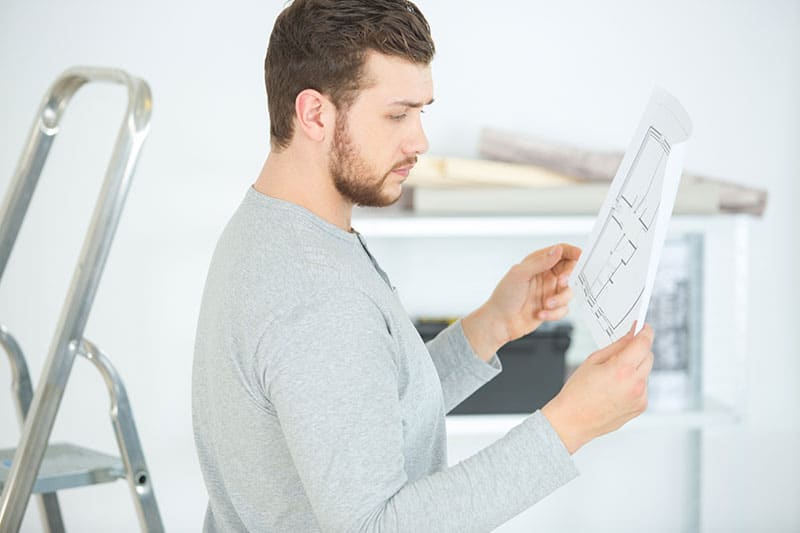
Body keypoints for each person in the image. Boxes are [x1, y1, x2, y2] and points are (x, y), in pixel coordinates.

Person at [191, 0, 655, 531]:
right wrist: (572, 422)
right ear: (315, 114)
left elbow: (363, 409)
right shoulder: (316, 296)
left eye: (421, 112)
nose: (420, 141)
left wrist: (490, 327)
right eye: (396, 115)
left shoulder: (275, 229)